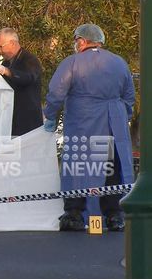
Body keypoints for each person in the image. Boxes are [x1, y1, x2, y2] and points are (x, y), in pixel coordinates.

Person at [43, 24, 135, 231]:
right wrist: (122, 116)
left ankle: (75, 213)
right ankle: (114, 214)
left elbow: (57, 92)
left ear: (82, 41)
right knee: (112, 168)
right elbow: (129, 97)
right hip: (113, 123)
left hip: (83, 122)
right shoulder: (119, 63)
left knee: (79, 166)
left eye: (76, 40)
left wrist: (49, 116)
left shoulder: (72, 62)